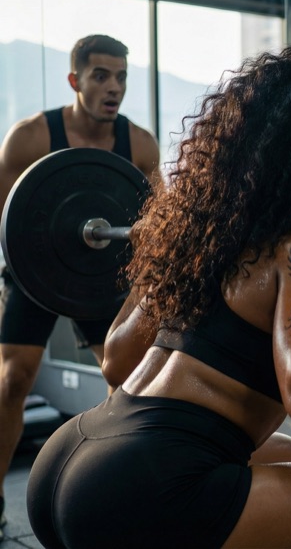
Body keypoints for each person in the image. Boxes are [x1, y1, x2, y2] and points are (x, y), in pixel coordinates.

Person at [26, 46, 291, 548]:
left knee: (283, 455)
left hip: (70, 461)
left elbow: (117, 362)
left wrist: (151, 260)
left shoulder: (201, 235)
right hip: (142, 486)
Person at [0, 34, 160, 539]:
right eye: (101, 76)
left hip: (102, 276)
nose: (114, 88)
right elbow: (7, 221)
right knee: (12, 382)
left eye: (121, 77)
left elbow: (156, 223)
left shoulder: (140, 145)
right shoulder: (30, 138)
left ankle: (129, 493)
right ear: (75, 80)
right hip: (35, 273)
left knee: (130, 382)